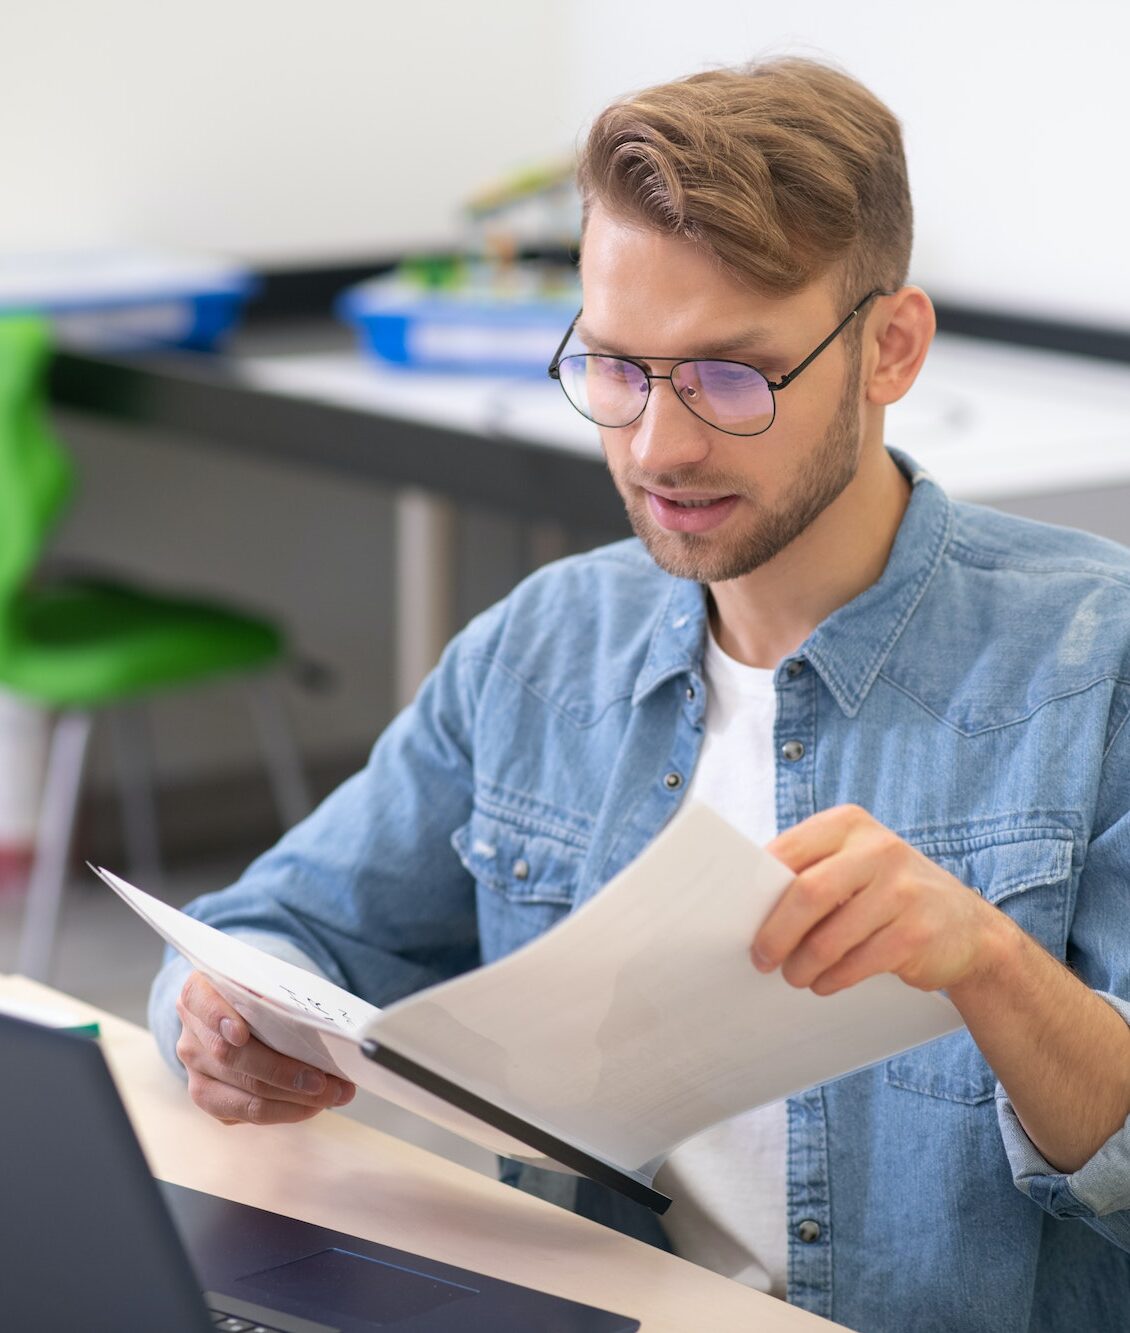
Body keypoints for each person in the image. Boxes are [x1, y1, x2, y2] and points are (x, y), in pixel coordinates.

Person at [150, 57, 1130, 1330]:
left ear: (888, 349)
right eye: (616, 369)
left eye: (733, 375)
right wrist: (221, 1018)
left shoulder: (1093, 659)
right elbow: (273, 922)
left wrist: (992, 965)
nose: (659, 449)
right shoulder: (543, 646)